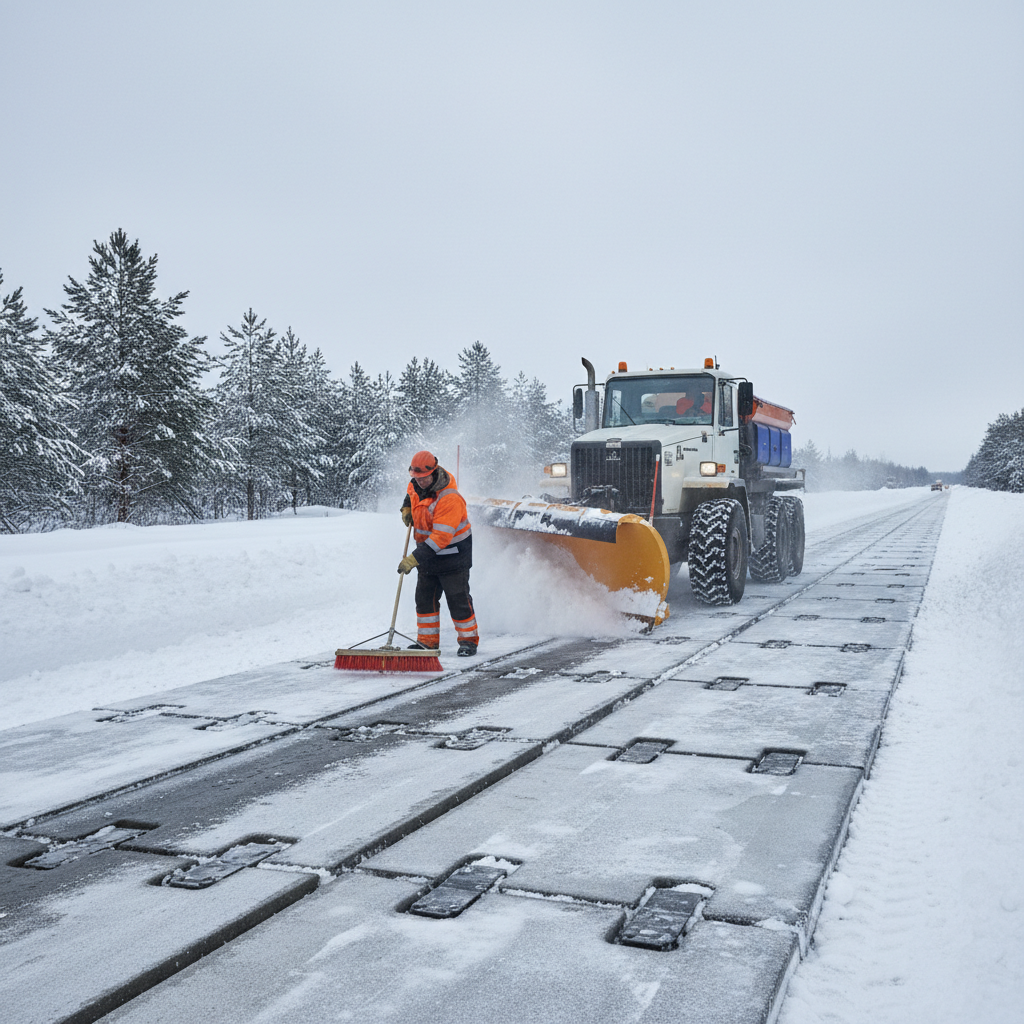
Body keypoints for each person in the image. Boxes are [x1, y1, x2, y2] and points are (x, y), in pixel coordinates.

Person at [397, 450, 479, 657]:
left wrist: (413, 559)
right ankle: (427, 643)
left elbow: (440, 539)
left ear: (434, 473)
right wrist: (406, 508)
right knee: (424, 599)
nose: (419, 482)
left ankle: (468, 641)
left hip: (453, 555)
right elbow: (410, 493)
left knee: (457, 598)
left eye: (423, 478)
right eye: (416, 477)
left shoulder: (449, 498)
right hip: (428, 555)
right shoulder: (415, 484)